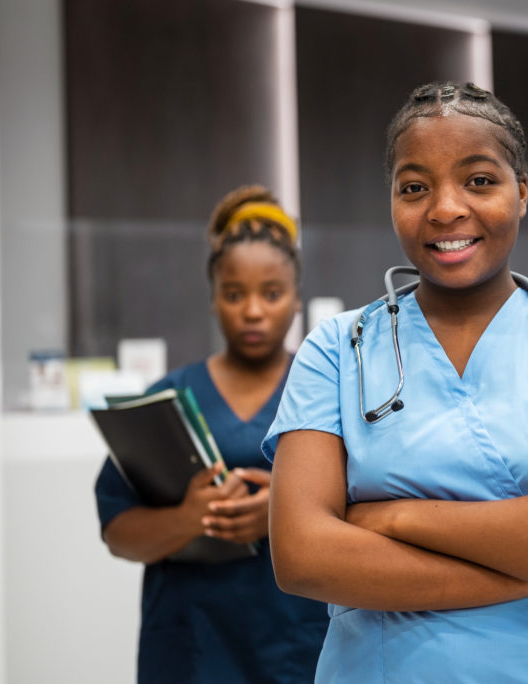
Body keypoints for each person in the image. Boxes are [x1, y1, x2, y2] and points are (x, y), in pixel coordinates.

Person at [263, 81, 528, 682]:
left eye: (479, 180)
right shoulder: (338, 348)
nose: (446, 208)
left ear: (522, 192)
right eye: (414, 187)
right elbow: (302, 555)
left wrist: (394, 518)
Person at [94, 186, 329, 684]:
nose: (253, 311)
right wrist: (188, 518)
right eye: (234, 293)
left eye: (271, 293)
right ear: (213, 297)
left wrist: (280, 513)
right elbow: (118, 532)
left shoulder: (326, 394)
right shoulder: (167, 401)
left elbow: (376, 514)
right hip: (189, 649)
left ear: (296, 300)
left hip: (295, 646)